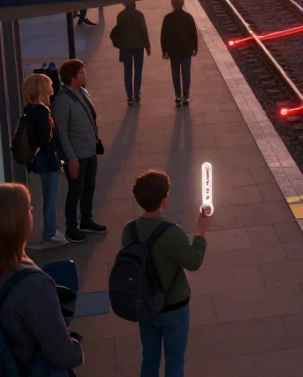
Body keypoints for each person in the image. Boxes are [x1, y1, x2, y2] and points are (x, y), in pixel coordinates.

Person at [0, 184, 84, 373]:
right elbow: (63, 355)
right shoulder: (32, 285)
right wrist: (76, 345)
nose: (31, 213)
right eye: (28, 209)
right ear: (18, 223)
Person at [126, 170, 209, 377]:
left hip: (146, 305)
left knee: (150, 358)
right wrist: (200, 233)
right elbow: (193, 262)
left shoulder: (130, 231)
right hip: (174, 306)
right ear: (164, 199)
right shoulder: (172, 232)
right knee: (174, 361)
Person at [54, 59, 106, 243]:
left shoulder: (82, 92)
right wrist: (71, 158)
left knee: (89, 187)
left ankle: (86, 219)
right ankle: (71, 226)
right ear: (72, 78)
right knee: (75, 190)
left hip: (89, 151)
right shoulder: (63, 101)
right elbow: (63, 133)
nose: (85, 75)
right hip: (76, 155)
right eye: (82, 73)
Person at [23, 74, 66, 247]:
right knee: (51, 197)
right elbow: (46, 141)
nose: (53, 86)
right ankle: (50, 232)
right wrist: (56, 164)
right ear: (41, 88)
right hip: (47, 161)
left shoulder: (31, 109)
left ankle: (49, 230)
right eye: (49, 84)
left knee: (48, 196)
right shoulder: (41, 111)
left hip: (39, 161)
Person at [159, 0, 198, 107]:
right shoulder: (188, 17)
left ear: (172, 5)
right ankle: (186, 96)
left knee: (175, 74)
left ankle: (177, 96)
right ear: (182, 4)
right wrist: (195, 48)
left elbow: (163, 36)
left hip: (173, 51)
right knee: (186, 73)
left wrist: (164, 50)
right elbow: (193, 34)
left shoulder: (167, 18)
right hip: (186, 50)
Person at [115, 1, 151, 105]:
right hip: (138, 46)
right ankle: (136, 92)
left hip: (125, 47)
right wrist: (147, 46)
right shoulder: (139, 14)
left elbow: (119, 32)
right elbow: (144, 31)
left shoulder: (120, 15)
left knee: (127, 70)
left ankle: (129, 94)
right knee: (138, 70)